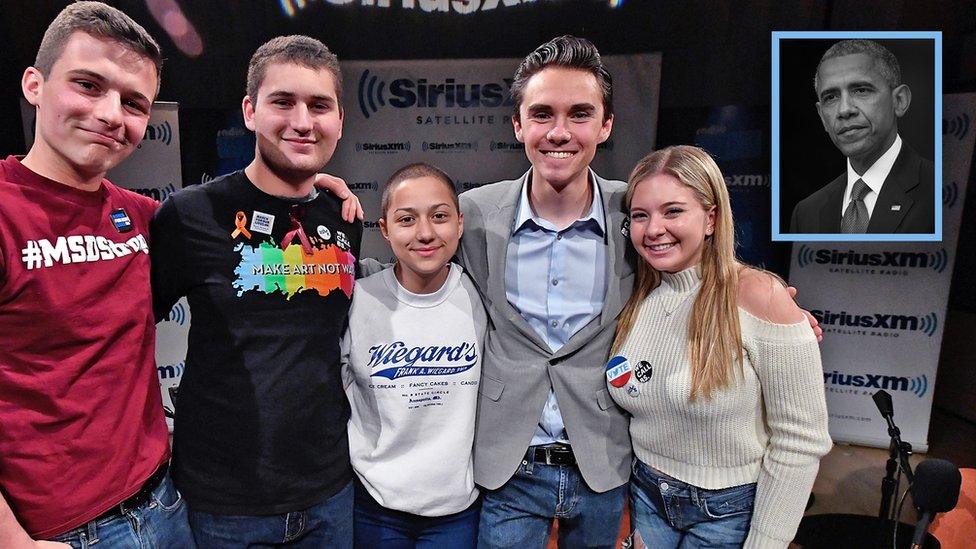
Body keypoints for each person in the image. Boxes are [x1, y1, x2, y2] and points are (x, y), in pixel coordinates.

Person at [150, 35, 361, 548]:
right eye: (282, 102)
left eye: (319, 105)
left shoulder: (345, 216)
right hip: (223, 504)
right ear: (250, 111)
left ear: (339, 120)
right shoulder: (189, 215)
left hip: (329, 493)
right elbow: (123, 336)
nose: (302, 121)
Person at [0, 2, 195, 548]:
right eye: (89, 85)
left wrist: (311, 191)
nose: (112, 115)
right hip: (56, 533)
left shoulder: (144, 216)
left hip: (164, 503)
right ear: (34, 84)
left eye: (134, 103)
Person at [458, 35, 634, 548]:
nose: (560, 132)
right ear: (518, 125)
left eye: (580, 114)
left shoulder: (636, 212)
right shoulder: (473, 213)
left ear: (605, 125)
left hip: (602, 459)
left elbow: (703, 263)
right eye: (542, 114)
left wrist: (769, 293)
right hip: (507, 464)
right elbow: (403, 264)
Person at [612, 145, 832, 548]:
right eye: (640, 215)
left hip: (727, 513)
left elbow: (801, 439)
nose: (653, 228)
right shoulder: (636, 296)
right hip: (646, 493)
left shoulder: (758, 294)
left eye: (673, 211)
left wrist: (767, 542)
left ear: (711, 218)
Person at [342, 163, 485, 548]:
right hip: (374, 506)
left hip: (457, 511)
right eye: (407, 219)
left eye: (439, 217)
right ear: (385, 228)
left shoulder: (484, 298)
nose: (425, 233)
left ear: (459, 223)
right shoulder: (358, 299)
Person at [790, 39, 934, 234]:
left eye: (861, 90)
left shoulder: (941, 192)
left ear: (899, 100)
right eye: (831, 97)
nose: (845, 110)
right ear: (822, 116)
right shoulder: (806, 213)